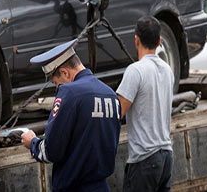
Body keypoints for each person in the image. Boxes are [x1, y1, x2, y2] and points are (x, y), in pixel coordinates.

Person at [21, 39, 121, 192]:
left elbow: (51, 151)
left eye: (56, 83)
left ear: (65, 73)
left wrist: (32, 142)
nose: (57, 88)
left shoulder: (69, 92)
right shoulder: (111, 94)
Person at [116, 16, 174, 192]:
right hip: (166, 156)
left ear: (136, 39)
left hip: (145, 159)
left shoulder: (135, 71)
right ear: (159, 41)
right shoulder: (167, 69)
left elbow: (117, 113)